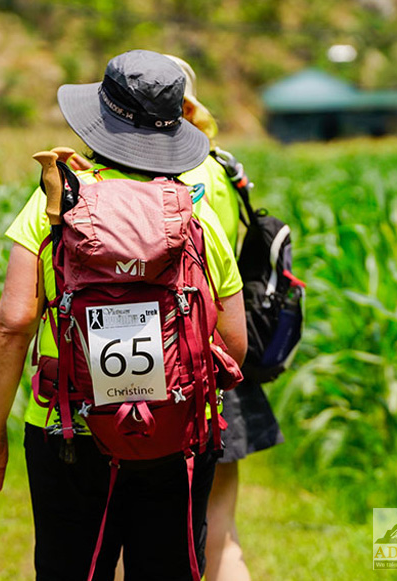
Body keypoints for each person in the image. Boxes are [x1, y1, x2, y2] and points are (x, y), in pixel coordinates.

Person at [0, 49, 247, 581]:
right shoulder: (197, 211)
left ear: (102, 120)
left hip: (66, 428)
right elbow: (234, 341)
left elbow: (14, 322)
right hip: (176, 430)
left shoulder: (54, 203)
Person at [168, 54, 286, 581]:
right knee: (220, 528)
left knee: (132, 532)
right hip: (216, 357)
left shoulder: (109, 174)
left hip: (139, 366)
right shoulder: (219, 168)